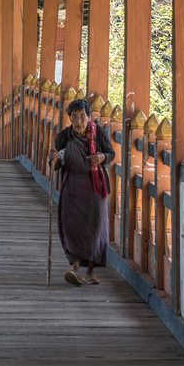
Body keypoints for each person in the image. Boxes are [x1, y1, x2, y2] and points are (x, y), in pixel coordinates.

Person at [48, 98, 114, 286]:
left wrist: (102, 157)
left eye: (82, 116)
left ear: (89, 117)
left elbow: (110, 153)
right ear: (69, 118)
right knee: (72, 227)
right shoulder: (64, 137)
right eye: (74, 117)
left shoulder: (98, 133)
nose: (78, 121)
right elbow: (56, 163)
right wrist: (54, 159)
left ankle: (91, 272)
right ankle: (75, 271)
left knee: (94, 228)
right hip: (72, 189)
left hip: (95, 190)